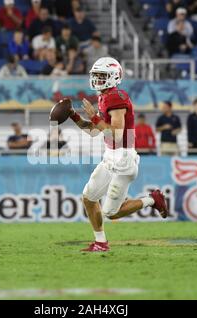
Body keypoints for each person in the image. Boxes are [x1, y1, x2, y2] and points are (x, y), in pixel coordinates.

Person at [67, 57, 169, 252]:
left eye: (102, 76)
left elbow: (117, 133)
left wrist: (95, 117)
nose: (97, 79)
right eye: (95, 75)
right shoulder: (105, 96)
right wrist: (73, 116)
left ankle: (153, 199)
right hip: (111, 155)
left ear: (114, 77)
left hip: (123, 158)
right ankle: (100, 243)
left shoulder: (116, 97)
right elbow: (95, 130)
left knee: (111, 213)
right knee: (89, 197)